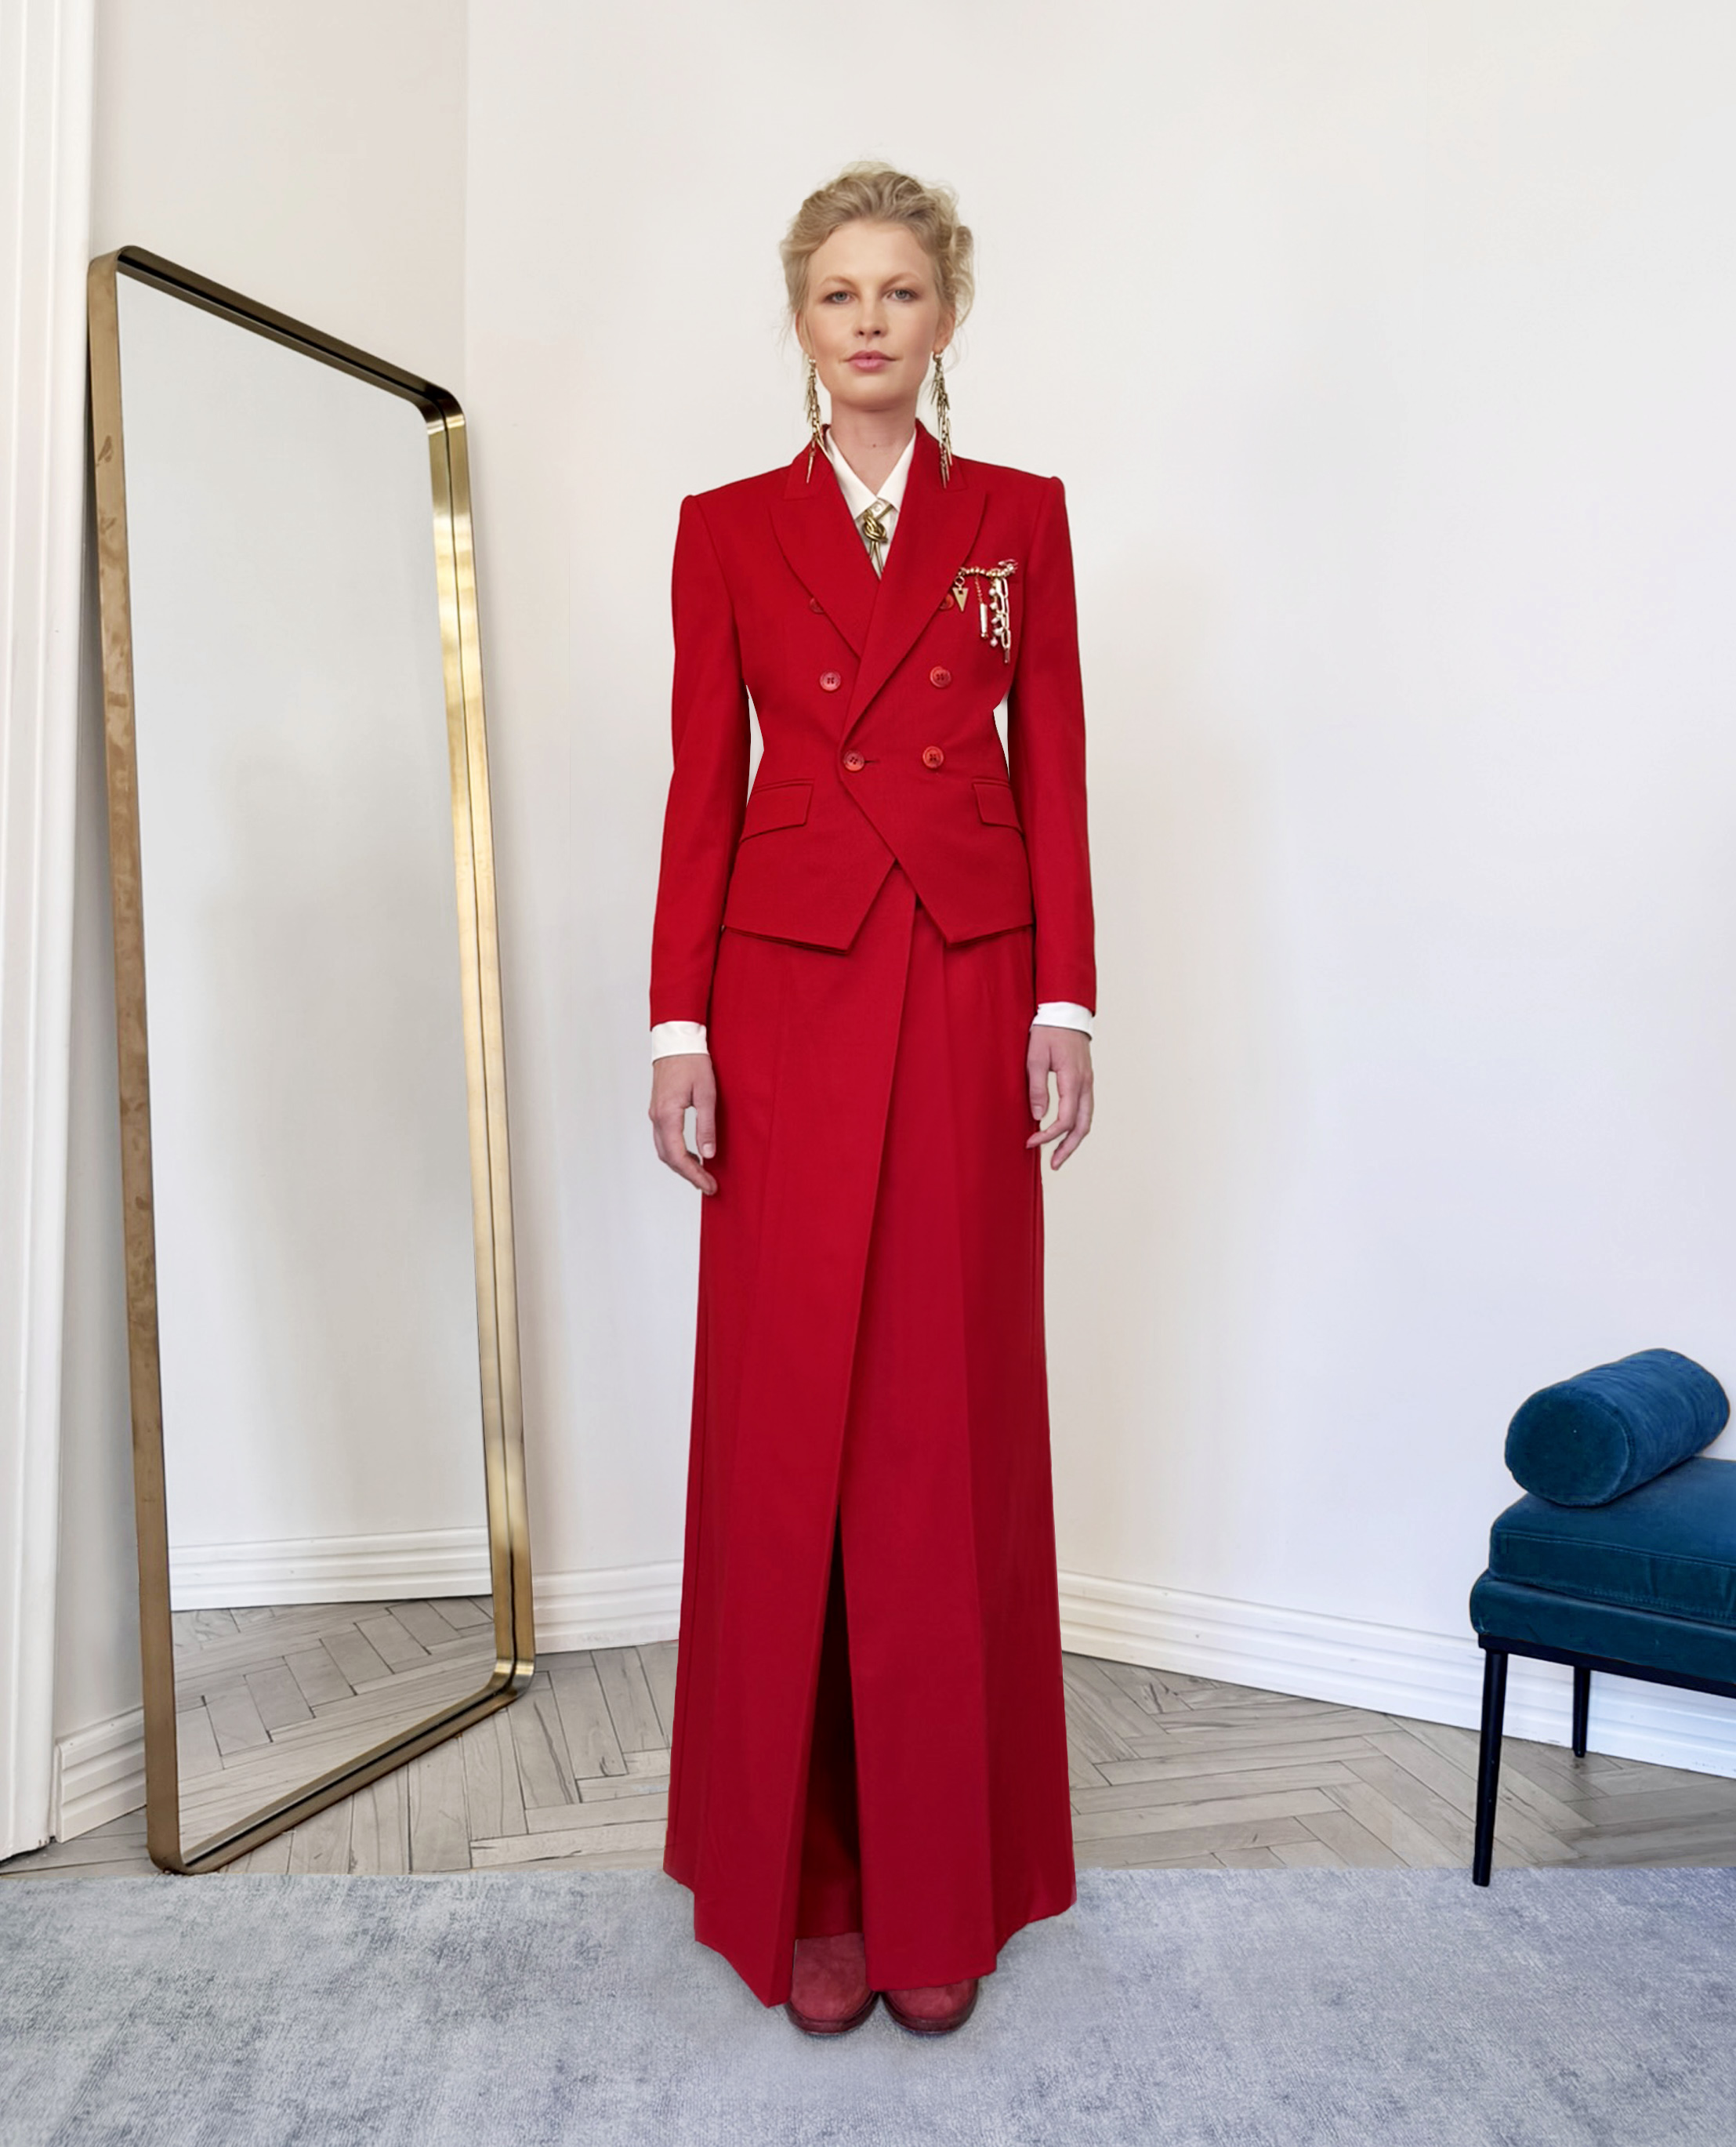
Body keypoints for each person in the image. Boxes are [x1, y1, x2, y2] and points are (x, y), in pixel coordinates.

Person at [647, 162, 1095, 2038]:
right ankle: (808, 1879)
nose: (868, 321)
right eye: (838, 292)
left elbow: (1052, 755)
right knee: (792, 1430)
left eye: (899, 291)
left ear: (945, 316)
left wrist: (1063, 996)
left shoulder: (1018, 516)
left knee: (939, 1422)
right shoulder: (726, 528)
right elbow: (702, 778)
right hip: (786, 992)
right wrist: (676, 1026)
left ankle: (937, 1886)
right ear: (800, 318)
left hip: (971, 975)